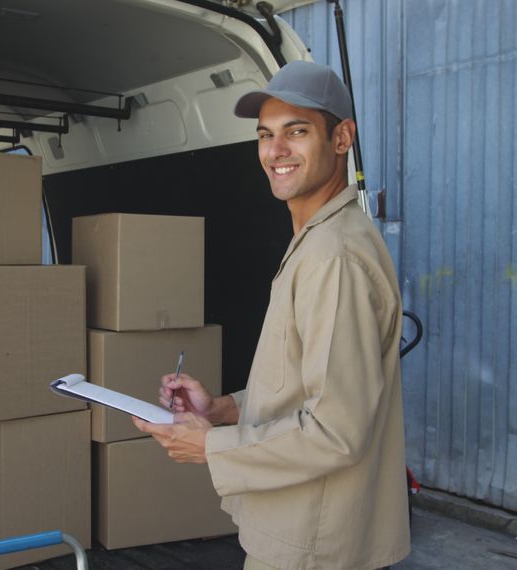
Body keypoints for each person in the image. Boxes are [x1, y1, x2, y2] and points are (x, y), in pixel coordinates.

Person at [132, 60, 410, 570]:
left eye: (297, 132)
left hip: (312, 546)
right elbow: (304, 387)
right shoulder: (317, 240)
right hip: (300, 534)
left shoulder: (334, 258)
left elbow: (336, 432)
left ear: (342, 138)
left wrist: (212, 445)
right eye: (265, 135)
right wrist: (220, 408)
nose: (275, 151)